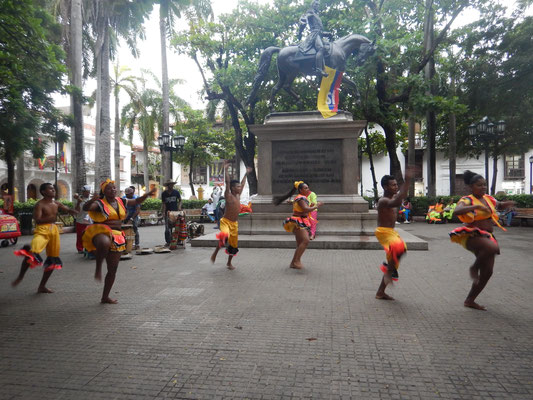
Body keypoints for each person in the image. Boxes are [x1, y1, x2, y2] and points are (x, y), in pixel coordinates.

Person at [449, 171, 515, 311]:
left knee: (487, 272)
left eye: (484, 185)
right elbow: (457, 211)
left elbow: (499, 205)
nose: (483, 187)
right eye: (479, 185)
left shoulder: (489, 198)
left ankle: (470, 300)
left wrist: (507, 204)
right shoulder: (467, 199)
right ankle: (474, 267)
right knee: (492, 247)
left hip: (488, 235)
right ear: (471, 187)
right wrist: (476, 207)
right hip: (472, 235)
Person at [83, 179, 156, 304]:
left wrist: (147, 195)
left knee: (113, 269)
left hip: (117, 234)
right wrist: (92, 200)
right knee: (104, 242)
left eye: (114, 188)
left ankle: (105, 297)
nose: (113, 190)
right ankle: (98, 267)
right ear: (103, 191)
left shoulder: (121, 200)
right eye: (109, 188)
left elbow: (136, 201)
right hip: (101, 230)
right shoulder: (100, 203)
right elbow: (86, 208)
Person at [12, 183, 78, 293]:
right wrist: (51, 219)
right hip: (42, 230)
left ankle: (42, 286)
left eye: (54, 189)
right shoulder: (40, 204)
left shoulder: (56, 203)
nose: (53, 190)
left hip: (54, 231)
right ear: (43, 192)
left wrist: (77, 204)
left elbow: (69, 210)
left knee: (53, 259)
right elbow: (37, 220)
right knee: (33, 252)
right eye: (50, 189)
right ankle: (20, 276)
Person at [375, 168, 414, 300]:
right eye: (393, 185)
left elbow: (398, 203)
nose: (396, 187)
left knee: (401, 251)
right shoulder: (383, 201)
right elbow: (397, 202)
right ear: (385, 187)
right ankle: (389, 270)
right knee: (399, 248)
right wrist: (407, 181)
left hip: (391, 232)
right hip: (383, 232)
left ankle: (381, 291)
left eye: (397, 184)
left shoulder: (394, 197)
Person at [210, 161, 253, 270]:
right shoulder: (228, 196)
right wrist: (225, 170)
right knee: (224, 237)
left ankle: (229, 263)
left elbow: (243, 183)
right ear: (233, 188)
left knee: (233, 245)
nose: (240, 188)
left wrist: (245, 174)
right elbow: (228, 182)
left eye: (239, 187)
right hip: (225, 221)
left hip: (234, 224)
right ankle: (215, 252)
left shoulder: (238, 196)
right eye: (237, 187)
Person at [274, 181, 323, 269]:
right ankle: (296, 261)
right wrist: (316, 206)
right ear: (300, 190)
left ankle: (294, 262)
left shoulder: (302, 198)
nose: (308, 189)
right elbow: (305, 208)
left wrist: (311, 205)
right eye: (306, 188)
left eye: (308, 187)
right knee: (305, 240)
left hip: (301, 221)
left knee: (300, 243)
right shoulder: (300, 198)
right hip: (298, 222)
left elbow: (304, 208)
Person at [297, 0, 332, 77]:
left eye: (318, 4)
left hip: (319, 34)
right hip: (314, 35)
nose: (317, 6)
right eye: (316, 4)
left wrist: (327, 34)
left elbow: (320, 30)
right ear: (312, 5)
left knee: (328, 49)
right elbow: (304, 18)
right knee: (321, 49)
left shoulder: (316, 15)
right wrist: (303, 21)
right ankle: (319, 69)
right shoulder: (311, 12)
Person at [161, 181, 182, 247]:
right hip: (167, 212)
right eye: (170, 185)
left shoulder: (176, 192)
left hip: (175, 212)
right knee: (167, 228)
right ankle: (168, 241)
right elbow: (164, 203)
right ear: (168, 185)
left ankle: (178, 240)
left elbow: (180, 200)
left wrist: (179, 207)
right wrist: (163, 212)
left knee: (176, 227)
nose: (172, 186)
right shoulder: (164, 193)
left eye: (172, 185)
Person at [74, 185, 92, 254]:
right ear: (83, 192)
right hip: (80, 220)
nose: (87, 193)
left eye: (88, 192)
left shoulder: (91, 199)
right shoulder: (78, 199)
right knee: (80, 236)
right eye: (86, 192)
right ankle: (80, 248)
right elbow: (76, 210)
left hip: (89, 221)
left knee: (89, 235)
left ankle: (88, 248)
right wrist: (78, 202)